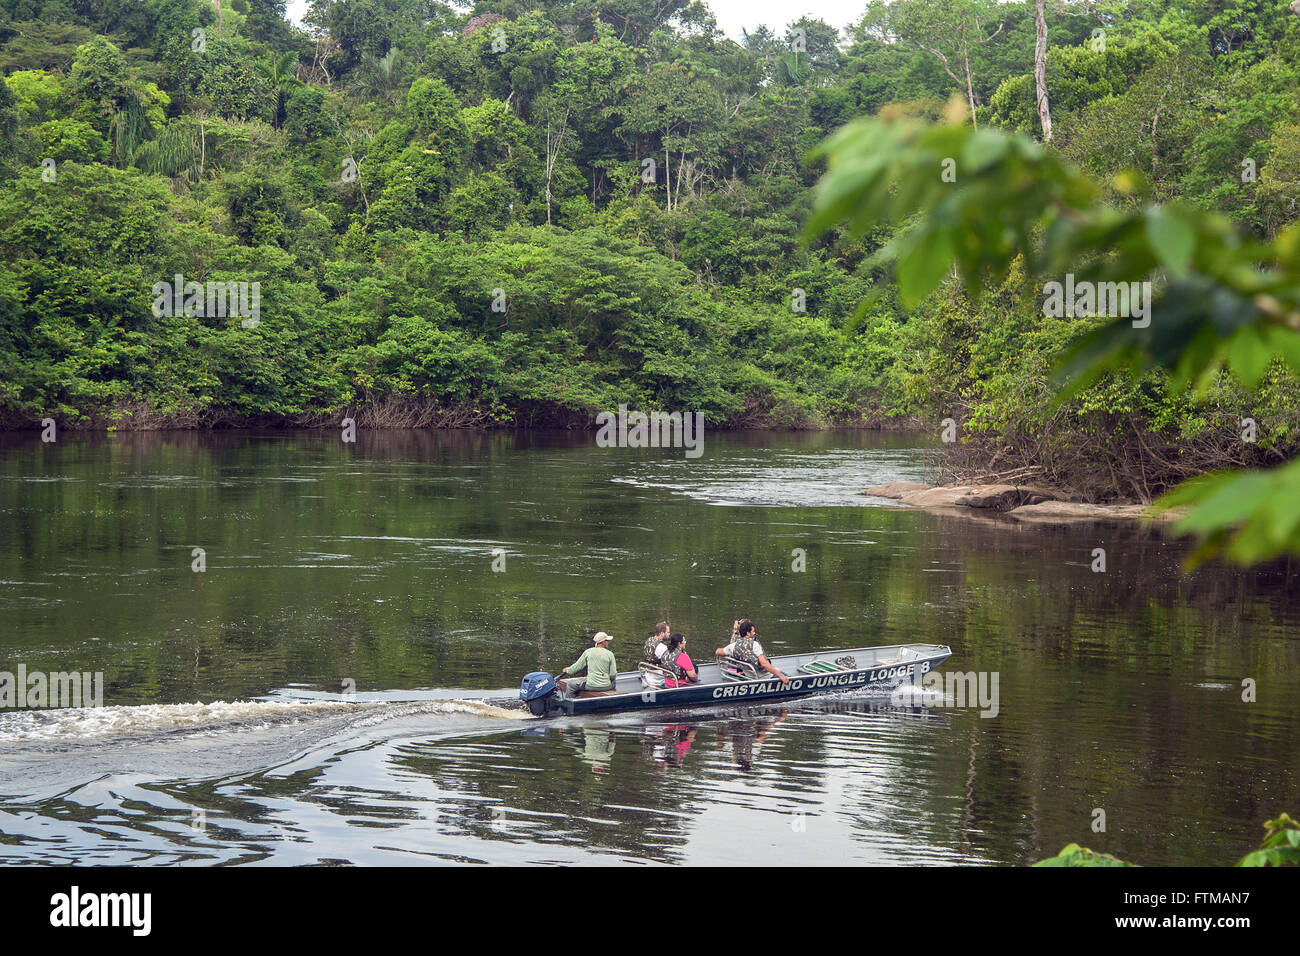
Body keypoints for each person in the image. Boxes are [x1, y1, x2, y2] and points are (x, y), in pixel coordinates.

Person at [716, 619, 789, 684]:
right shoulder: (755, 645)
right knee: (787, 676)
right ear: (748, 633)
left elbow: (718, 652)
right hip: (765, 677)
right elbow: (764, 664)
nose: (754, 633)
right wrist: (781, 676)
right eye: (753, 631)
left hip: (749, 677)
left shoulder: (733, 646)